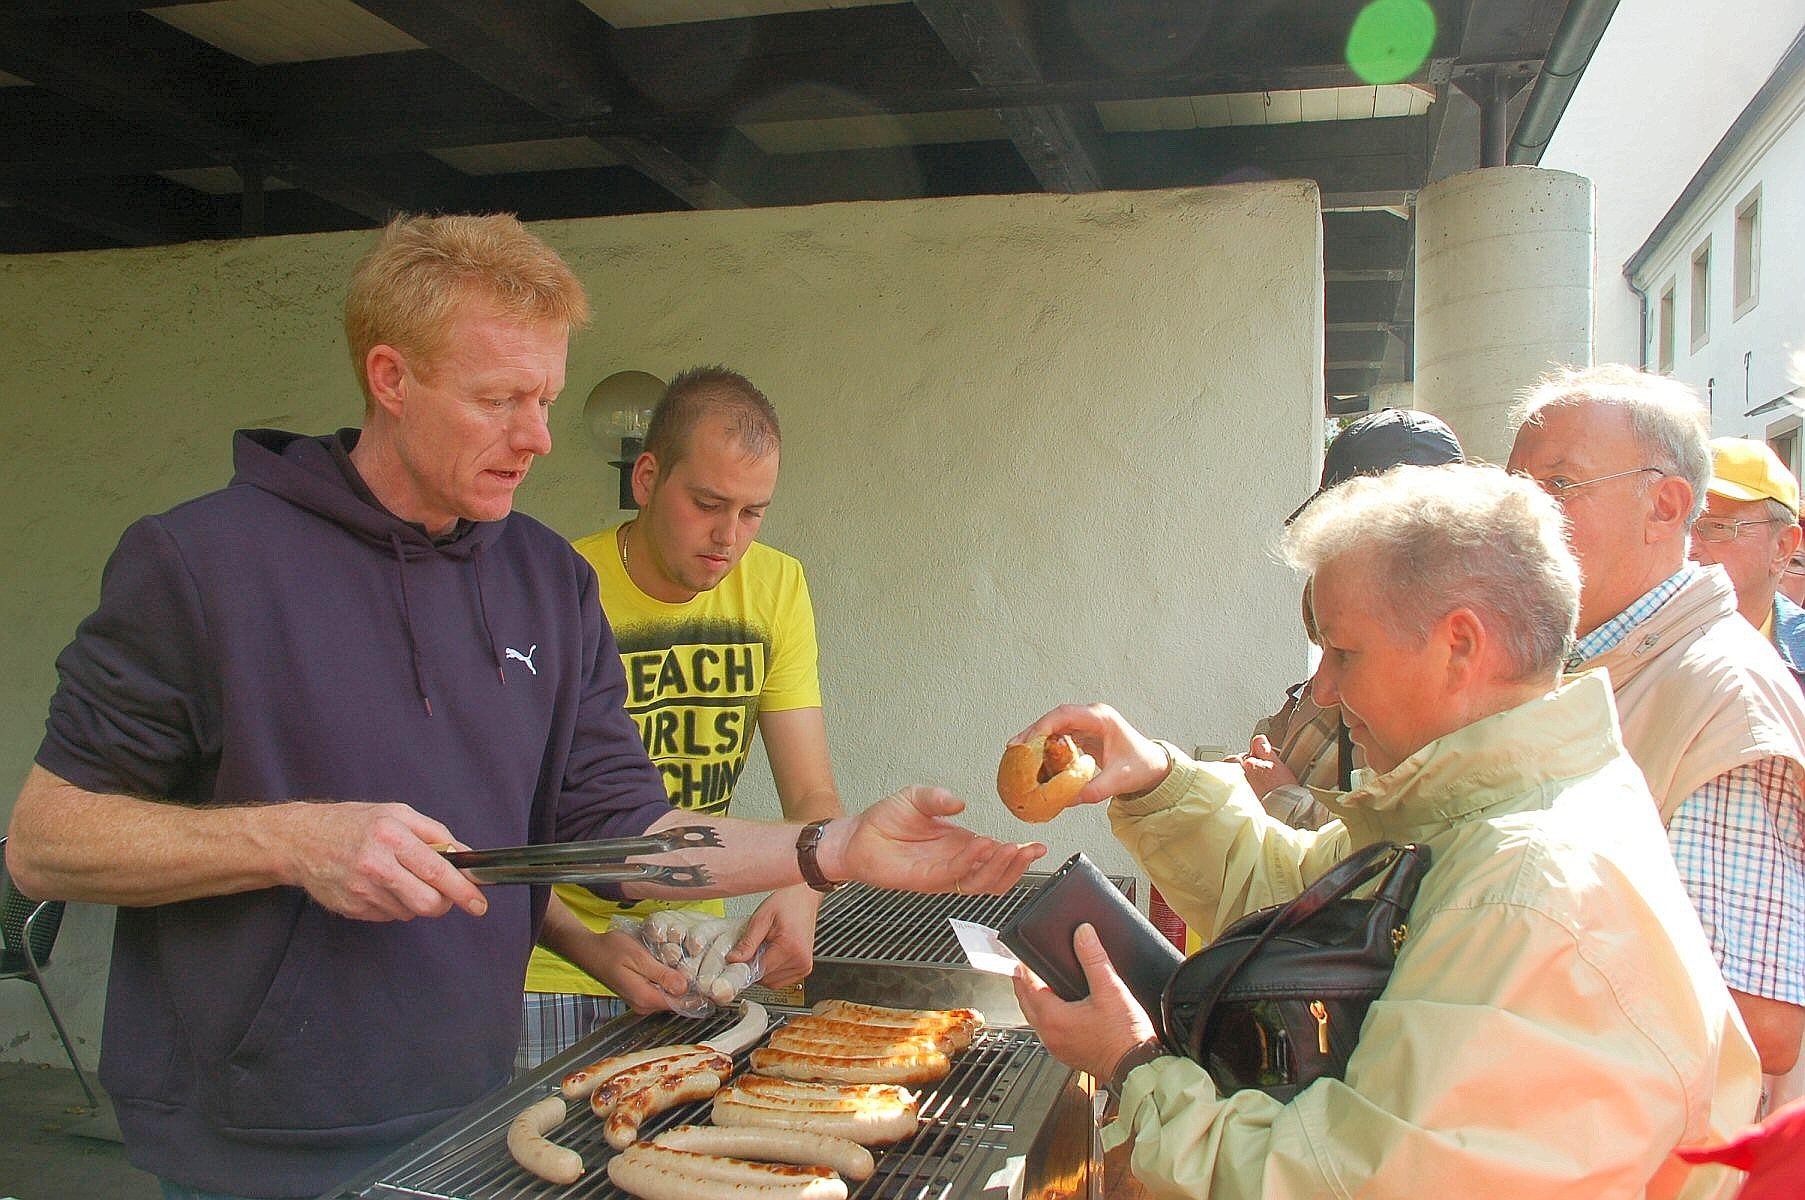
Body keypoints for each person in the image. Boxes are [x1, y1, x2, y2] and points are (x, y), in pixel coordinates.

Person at [3, 213, 1043, 1200]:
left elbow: (623, 841)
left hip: (470, 1100)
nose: (538, 437)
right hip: (251, 1140)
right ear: (390, 379)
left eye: (546, 398)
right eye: (501, 399)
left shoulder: (547, 581)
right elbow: (47, 842)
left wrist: (833, 849)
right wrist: (292, 840)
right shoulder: (202, 561)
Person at [1012, 463, 1759, 1198]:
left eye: (1344, 653)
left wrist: (1134, 1066)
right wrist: (1155, 782)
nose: (1325, 692)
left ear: (1458, 646)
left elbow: (1352, 1183)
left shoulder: (1525, 894)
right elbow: (1297, 905)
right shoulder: (1475, 812)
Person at [520, 366, 839, 1067]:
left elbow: (811, 794)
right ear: (645, 479)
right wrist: (584, 944)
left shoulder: (777, 585)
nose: (729, 537)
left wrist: (800, 888)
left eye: (752, 512)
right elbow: (499, 819)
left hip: (697, 959)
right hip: (549, 967)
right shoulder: (556, 589)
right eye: (706, 503)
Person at [1506, 365, 1805, 1079]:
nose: (1517, 517)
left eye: (1556, 487)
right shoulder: (1589, 663)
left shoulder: (1717, 694)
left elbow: (1754, 1022)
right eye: (1509, 489)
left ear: (1666, 507)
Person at [1231, 408, 1463, 828]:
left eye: (1349, 656)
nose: (1324, 687)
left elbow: (1399, 843)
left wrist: (1278, 798)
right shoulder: (1339, 620)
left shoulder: (1453, 696)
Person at [1689, 437, 1805, 689]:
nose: (1689, 546)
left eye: (1718, 527)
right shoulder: (1625, 642)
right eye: (1683, 525)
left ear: (1782, 547)